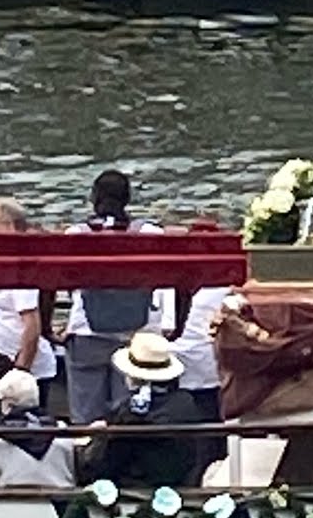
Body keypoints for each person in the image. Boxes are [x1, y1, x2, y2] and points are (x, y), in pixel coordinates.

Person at [63, 170, 171, 425]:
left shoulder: (76, 235)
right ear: (127, 199)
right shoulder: (150, 234)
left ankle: (87, 457)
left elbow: (62, 284)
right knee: (127, 416)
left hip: (87, 333)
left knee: (85, 418)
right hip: (136, 337)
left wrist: (50, 330)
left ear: (93, 198)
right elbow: (171, 280)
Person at [78, 332, 205, 487]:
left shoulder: (132, 413)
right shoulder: (186, 402)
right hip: (182, 482)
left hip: (137, 486)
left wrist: (100, 439)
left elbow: (107, 464)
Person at [0, 199, 58, 409]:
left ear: (9, 228)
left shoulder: (20, 270)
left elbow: (32, 325)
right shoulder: (2, 261)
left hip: (21, 371)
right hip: (0, 363)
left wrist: (20, 372)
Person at [162, 285, 231, 478]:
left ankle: (203, 476)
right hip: (208, 367)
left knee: (205, 432)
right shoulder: (213, 293)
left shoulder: (209, 293)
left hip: (200, 368)